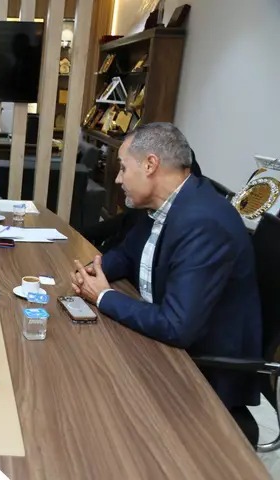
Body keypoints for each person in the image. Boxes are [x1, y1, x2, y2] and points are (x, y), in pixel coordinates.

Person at [70, 123, 261, 411]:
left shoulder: (204, 223)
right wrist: (90, 273)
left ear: (150, 165)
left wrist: (103, 296)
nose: (119, 179)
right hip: (161, 344)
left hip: (196, 375)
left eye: (123, 168)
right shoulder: (166, 204)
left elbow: (176, 325)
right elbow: (127, 254)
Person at [80, 150, 203, 253]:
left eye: (124, 169)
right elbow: (123, 222)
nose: (118, 179)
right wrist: (84, 235)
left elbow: (126, 251)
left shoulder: (192, 222)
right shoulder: (145, 204)